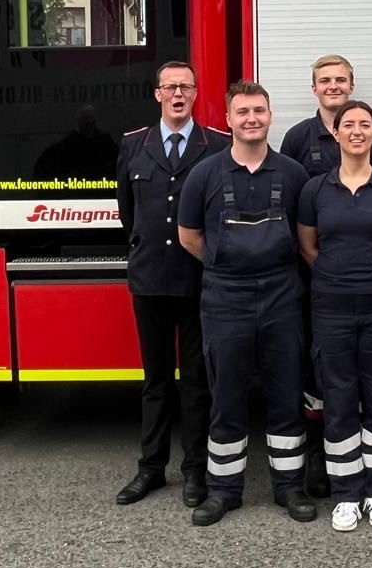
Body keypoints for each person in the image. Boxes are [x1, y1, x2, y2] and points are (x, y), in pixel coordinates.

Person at [176, 81, 315, 526]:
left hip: (282, 294)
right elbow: (189, 236)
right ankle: (223, 491)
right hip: (225, 296)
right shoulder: (205, 173)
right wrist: (225, 265)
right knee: (227, 396)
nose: (251, 118)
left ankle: (290, 488)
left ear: (270, 116)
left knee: (286, 393)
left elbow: (306, 236)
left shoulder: (294, 174)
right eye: (243, 112)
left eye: (259, 110)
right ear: (229, 119)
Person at [296, 100, 372, 532]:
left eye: (366, 124)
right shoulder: (315, 190)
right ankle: (346, 493)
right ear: (338, 134)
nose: (358, 131)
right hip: (331, 306)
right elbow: (308, 246)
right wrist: (335, 275)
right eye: (350, 125)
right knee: (339, 398)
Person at [114, 63, 229, 509]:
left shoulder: (216, 145)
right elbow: (129, 212)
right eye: (170, 87)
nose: (178, 94)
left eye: (186, 87)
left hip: (198, 279)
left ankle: (195, 470)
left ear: (197, 94)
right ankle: (151, 468)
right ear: (157, 93)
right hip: (150, 279)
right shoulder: (132, 145)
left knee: (197, 380)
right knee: (156, 380)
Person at [280, 54, 372, 499]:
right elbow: (295, 211)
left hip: (369, 281)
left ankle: (369, 463)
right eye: (324, 81)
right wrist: (319, 267)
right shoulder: (296, 138)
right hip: (318, 281)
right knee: (320, 374)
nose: (333, 86)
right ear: (314, 88)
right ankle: (320, 458)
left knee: (365, 373)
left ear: (351, 84)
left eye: (340, 80)